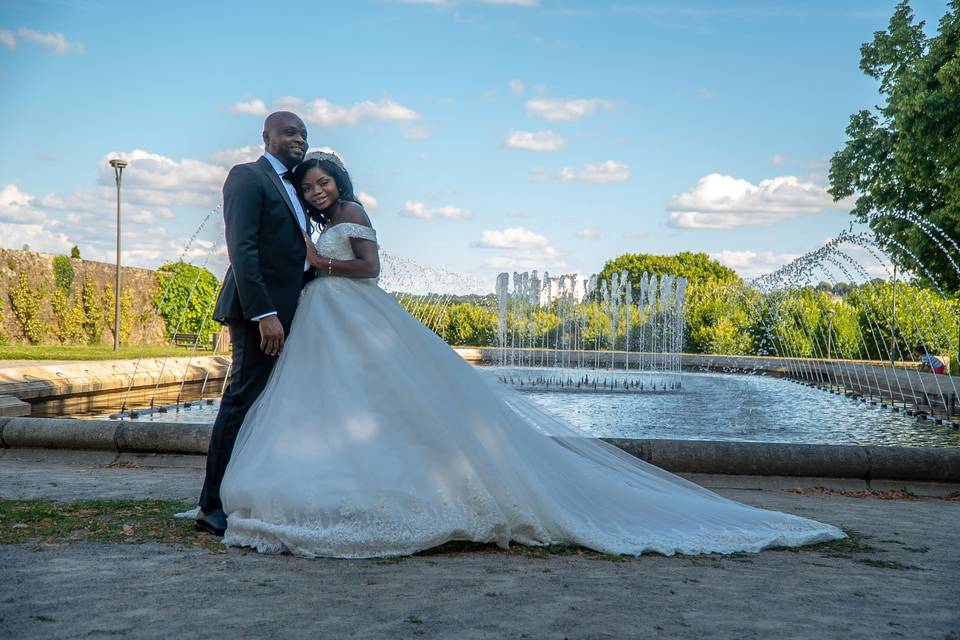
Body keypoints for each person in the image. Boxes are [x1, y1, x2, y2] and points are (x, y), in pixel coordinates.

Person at [218, 154, 845, 558]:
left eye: (324, 181)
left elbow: (371, 268)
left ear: (340, 185)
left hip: (354, 311)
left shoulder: (350, 213)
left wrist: (315, 261)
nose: (319, 189)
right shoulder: (312, 215)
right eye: (311, 185)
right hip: (328, 323)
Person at [195, 112, 313, 536]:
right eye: (289, 131)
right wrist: (265, 314)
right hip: (256, 313)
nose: (298, 138)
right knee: (241, 399)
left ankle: (248, 491)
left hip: (289, 312)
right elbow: (241, 249)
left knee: (270, 403)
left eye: (303, 132)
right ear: (266, 137)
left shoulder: (297, 189)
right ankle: (211, 506)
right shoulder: (247, 176)